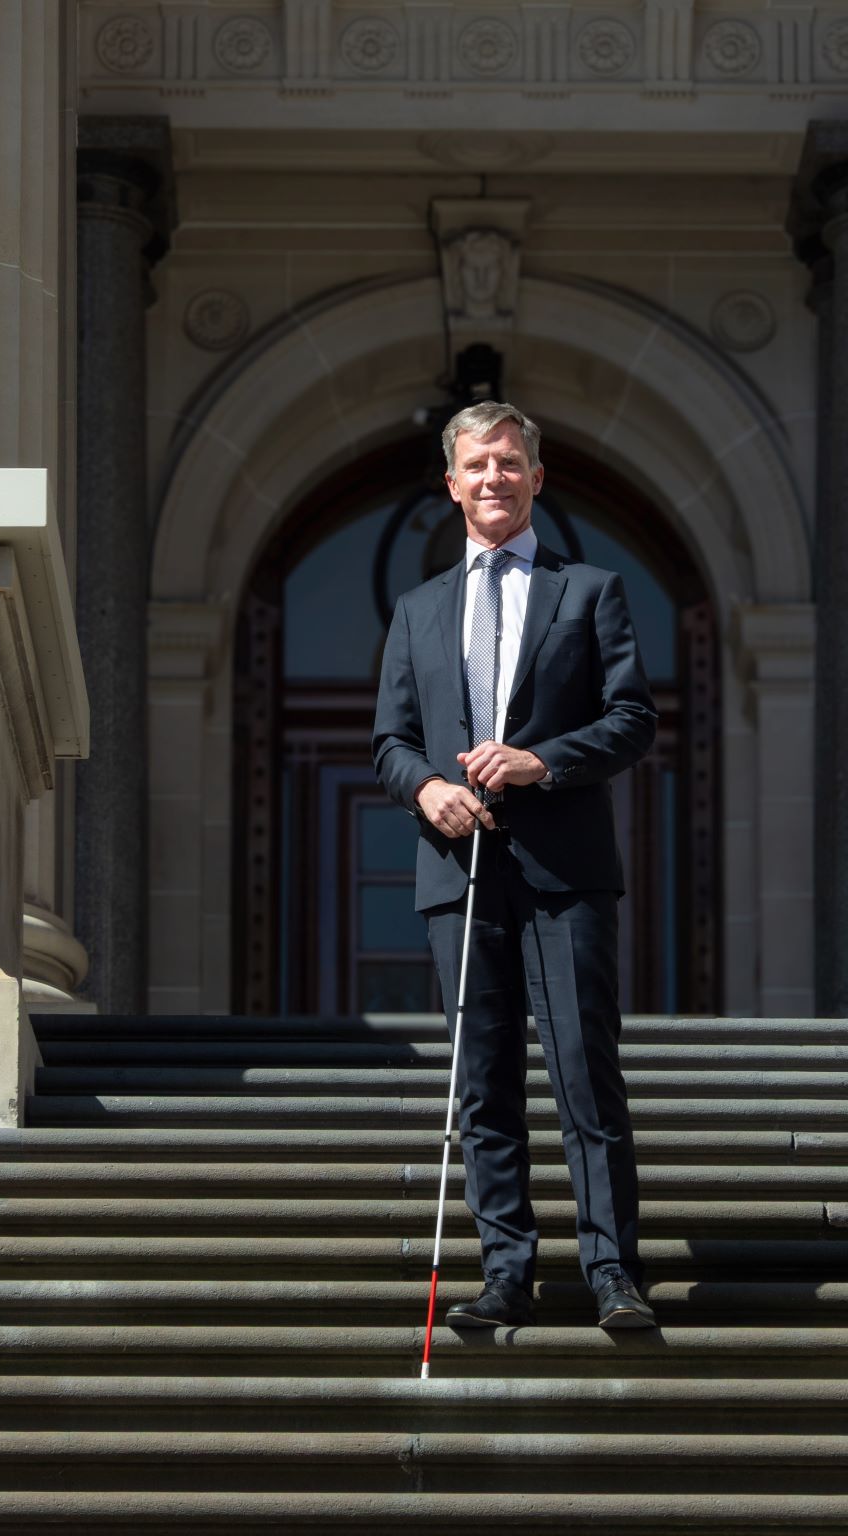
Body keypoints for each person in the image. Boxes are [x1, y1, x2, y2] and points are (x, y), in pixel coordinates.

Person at [372, 400, 658, 1330]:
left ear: (538, 479)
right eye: (476, 465)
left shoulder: (592, 592)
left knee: (584, 1071)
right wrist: (425, 791)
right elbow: (390, 741)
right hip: (459, 875)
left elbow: (633, 720)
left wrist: (542, 761)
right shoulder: (417, 612)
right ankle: (506, 1275)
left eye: (509, 463)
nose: (493, 477)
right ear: (450, 484)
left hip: (564, 868)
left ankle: (614, 1273)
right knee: (484, 1081)